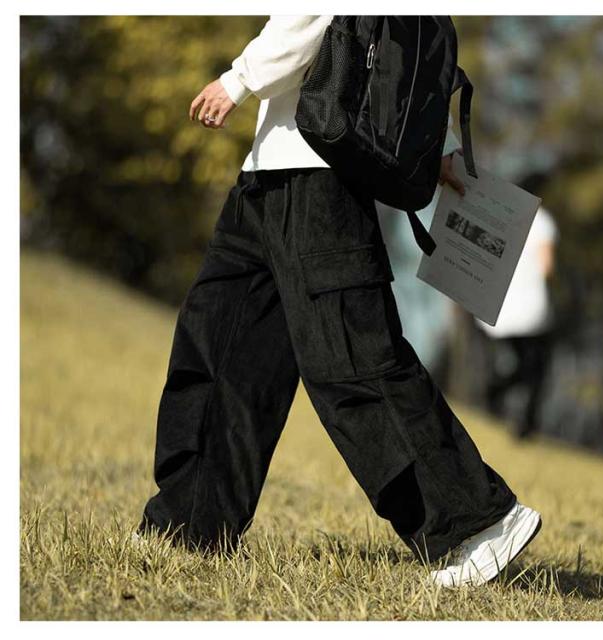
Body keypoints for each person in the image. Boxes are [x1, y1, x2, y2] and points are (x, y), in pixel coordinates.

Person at [138, 15, 541, 587]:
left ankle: (477, 523)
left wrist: (239, 79)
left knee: (354, 363)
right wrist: (442, 146)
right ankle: (190, 522)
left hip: (319, 181)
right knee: (222, 349)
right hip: (267, 175)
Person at [476, 204, 558, 439]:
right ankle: (525, 422)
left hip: (498, 308)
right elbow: (547, 267)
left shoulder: (501, 213)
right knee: (535, 369)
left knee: (518, 364)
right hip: (530, 311)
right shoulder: (542, 221)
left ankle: (495, 393)